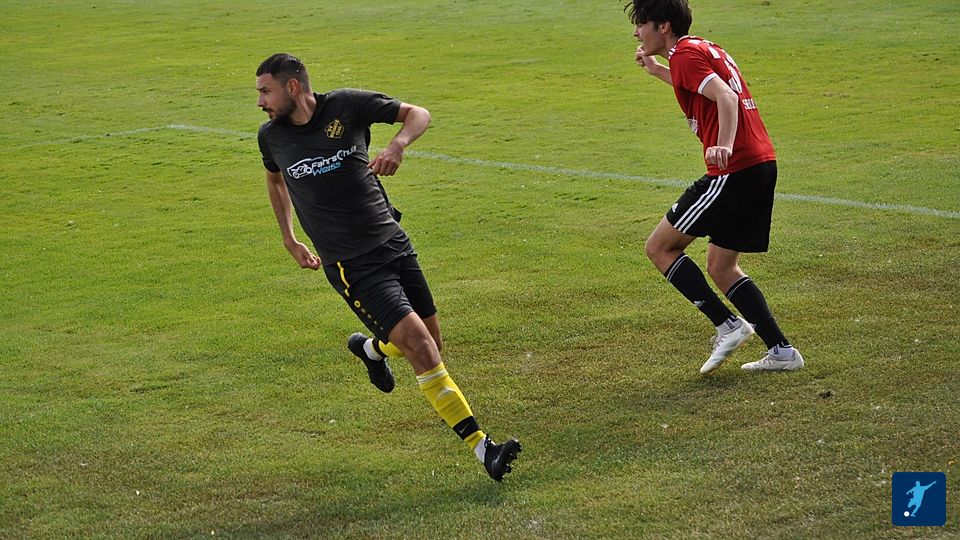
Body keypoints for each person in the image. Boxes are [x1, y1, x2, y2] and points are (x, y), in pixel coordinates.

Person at [255, 53, 521, 480]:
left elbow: (419, 114)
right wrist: (289, 237)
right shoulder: (272, 138)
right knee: (421, 348)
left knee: (432, 343)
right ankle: (483, 448)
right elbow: (274, 179)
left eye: (265, 91)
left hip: (393, 242)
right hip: (351, 265)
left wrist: (398, 145)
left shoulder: (346, 105)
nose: (260, 102)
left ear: (292, 87)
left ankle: (370, 349)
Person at [623, 1, 804, 374]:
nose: (637, 33)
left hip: (734, 169)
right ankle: (782, 352)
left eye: (641, 24)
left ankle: (728, 326)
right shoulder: (701, 49)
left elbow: (725, 96)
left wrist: (723, 143)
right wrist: (657, 70)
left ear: (664, 26)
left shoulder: (685, 55)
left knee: (659, 247)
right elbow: (699, 85)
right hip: (761, 164)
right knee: (722, 266)